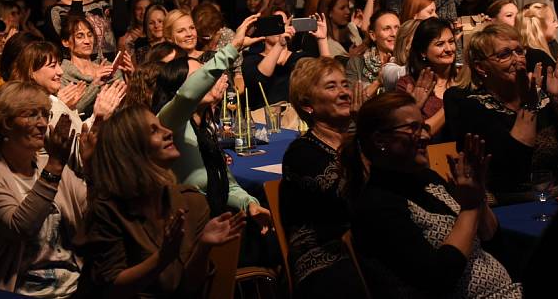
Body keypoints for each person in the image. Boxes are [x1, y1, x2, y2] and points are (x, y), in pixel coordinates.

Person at [341, 92, 522, 298]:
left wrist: (478, 196)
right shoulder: (376, 206)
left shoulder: (428, 178)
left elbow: (494, 246)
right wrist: (470, 208)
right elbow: (439, 279)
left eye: (424, 126)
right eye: (413, 128)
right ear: (380, 140)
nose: (426, 136)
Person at [74, 104, 246, 297]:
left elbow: (188, 287)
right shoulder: (108, 211)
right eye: (154, 130)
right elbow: (111, 289)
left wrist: (204, 247)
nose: (168, 132)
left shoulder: (191, 203)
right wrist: (162, 258)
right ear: (130, 149)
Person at [443, 24, 558, 204]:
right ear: (481, 67)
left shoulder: (542, 97)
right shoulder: (472, 106)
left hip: (556, 198)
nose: (517, 59)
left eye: (519, 51)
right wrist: (528, 106)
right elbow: (514, 170)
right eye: (505, 54)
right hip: (508, 204)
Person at [0, 82, 86, 296]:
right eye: (31, 115)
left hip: (75, 287)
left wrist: (94, 167)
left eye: (44, 115)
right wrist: (55, 165)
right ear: (4, 124)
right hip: (21, 292)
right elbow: (21, 227)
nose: (42, 124)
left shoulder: (51, 167)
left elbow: (92, 212)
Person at [152, 15, 272, 228]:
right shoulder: (169, 120)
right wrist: (233, 47)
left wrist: (249, 203)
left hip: (215, 218)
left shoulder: (204, 127)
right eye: (199, 77)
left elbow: (227, 185)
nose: (208, 81)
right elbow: (188, 95)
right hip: (186, 225)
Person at [280, 56, 367, 297]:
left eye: (344, 84)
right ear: (308, 105)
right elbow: (352, 197)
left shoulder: (353, 143)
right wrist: (363, 129)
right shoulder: (302, 152)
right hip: (325, 259)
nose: (344, 93)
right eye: (331, 86)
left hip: (366, 244)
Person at [9, 40, 126, 174]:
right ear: (31, 72)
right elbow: (81, 159)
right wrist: (99, 117)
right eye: (52, 66)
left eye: (59, 64)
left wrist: (93, 114)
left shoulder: (50, 100)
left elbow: (78, 134)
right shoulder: (40, 109)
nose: (60, 71)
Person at [242, 9, 329, 105]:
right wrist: (280, 44)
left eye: (283, 23)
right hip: (262, 116)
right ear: (264, 28)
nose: (280, 28)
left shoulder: (300, 59)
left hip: (294, 117)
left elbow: (327, 76)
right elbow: (259, 80)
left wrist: (322, 40)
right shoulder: (251, 60)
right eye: (275, 23)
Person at [396, 18, 458, 140]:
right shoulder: (408, 84)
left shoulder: (465, 79)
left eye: (451, 42)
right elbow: (409, 133)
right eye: (440, 44)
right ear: (423, 52)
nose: (449, 49)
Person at [60, 15, 129, 119]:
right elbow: (71, 112)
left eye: (90, 35)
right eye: (80, 36)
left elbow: (124, 103)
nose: (87, 41)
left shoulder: (107, 67)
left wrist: (131, 76)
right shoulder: (63, 74)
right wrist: (95, 83)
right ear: (66, 42)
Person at [346, 10, 400, 95]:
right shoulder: (356, 63)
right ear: (373, 35)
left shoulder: (407, 62)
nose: (394, 33)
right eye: (387, 29)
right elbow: (353, 101)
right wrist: (378, 81)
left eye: (397, 28)